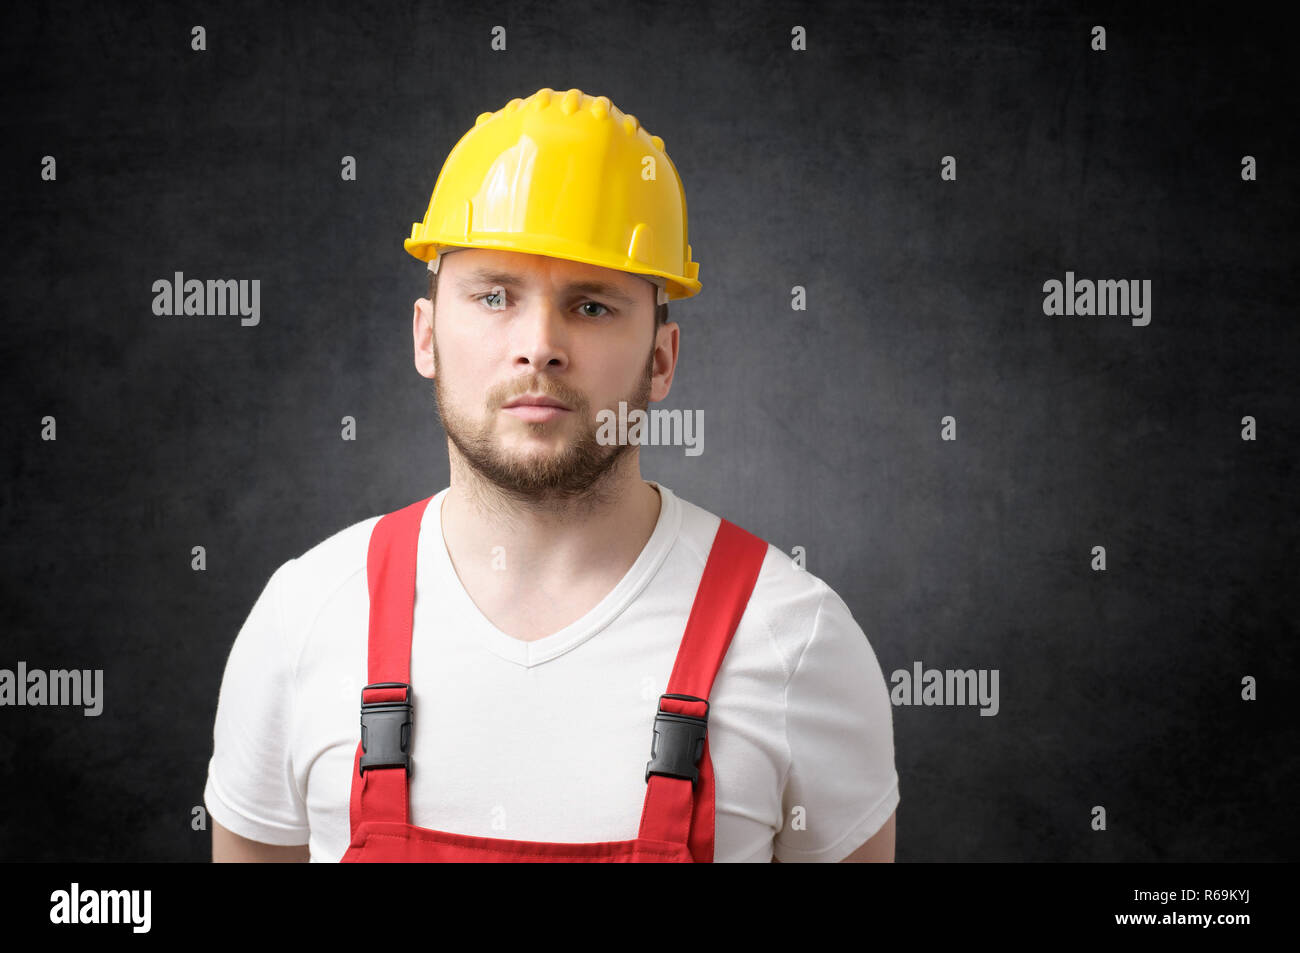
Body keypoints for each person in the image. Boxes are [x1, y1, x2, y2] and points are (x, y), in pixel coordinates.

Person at [204, 87, 898, 862]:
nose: (539, 345)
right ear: (426, 336)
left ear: (662, 359)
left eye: (592, 305)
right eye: (494, 295)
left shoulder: (795, 638)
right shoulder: (305, 619)